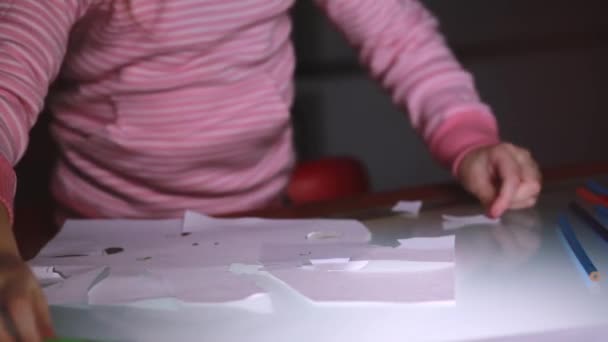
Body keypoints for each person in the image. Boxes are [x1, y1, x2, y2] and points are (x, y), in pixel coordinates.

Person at [0, 0, 541, 340]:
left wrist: (470, 142)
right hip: (109, 256)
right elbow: (9, 80)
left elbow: (399, 37)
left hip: (261, 238)